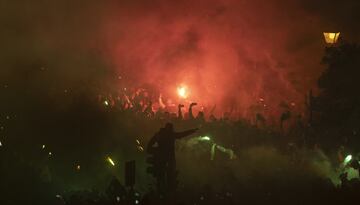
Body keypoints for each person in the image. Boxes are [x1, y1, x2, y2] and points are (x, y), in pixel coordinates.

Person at [147, 123, 198, 193]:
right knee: (170, 176)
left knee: (161, 176)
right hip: (169, 158)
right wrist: (193, 131)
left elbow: (149, 146)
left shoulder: (159, 134)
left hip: (161, 158)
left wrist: (156, 150)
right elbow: (182, 134)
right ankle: (169, 191)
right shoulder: (171, 135)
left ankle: (162, 191)